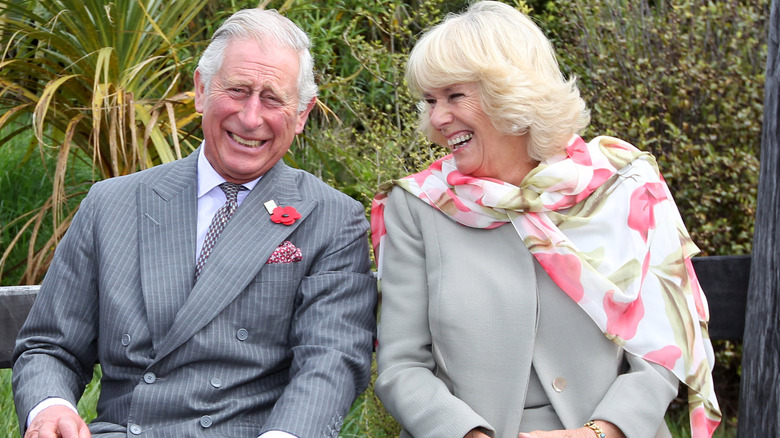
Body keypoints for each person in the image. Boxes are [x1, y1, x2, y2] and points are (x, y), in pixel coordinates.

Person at [13, 8, 377, 438]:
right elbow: (49, 346)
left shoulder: (332, 219)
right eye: (238, 90)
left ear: (301, 113)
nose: (251, 117)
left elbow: (330, 361)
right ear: (202, 90)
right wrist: (49, 409)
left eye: (273, 98)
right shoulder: (112, 203)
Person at [370, 2, 720, 438]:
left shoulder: (623, 184)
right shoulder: (417, 206)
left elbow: (663, 346)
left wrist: (600, 432)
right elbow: (403, 365)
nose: (438, 118)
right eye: (430, 101)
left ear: (510, 92)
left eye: (455, 96)